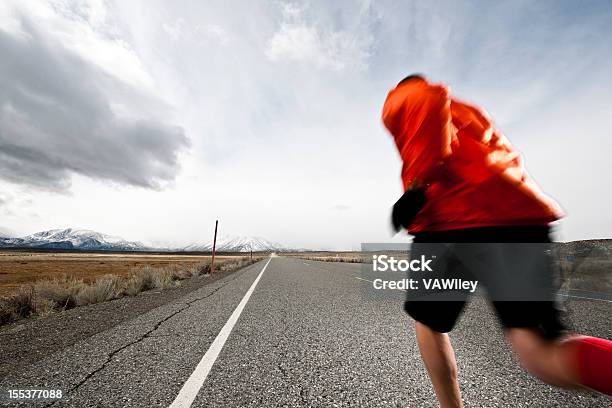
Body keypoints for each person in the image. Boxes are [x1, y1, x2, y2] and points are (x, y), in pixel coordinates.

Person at [381, 74, 612, 407]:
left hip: (450, 223)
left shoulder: (409, 95)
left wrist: (415, 191)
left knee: (430, 322)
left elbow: (428, 111)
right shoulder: (467, 113)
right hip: (518, 216)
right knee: (541, 353)